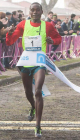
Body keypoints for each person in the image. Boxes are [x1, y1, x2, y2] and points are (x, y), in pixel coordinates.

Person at [6, 2, 61, 137]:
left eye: (37, 10)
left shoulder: (47, 25)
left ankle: (38, 125)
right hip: (26, 62)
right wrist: (9, 33)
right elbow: (10, 42)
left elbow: (58, 38)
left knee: (38, 91)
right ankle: (32, 107)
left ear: (42, 12)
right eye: (32, 10)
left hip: (39, 62)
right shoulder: (23, 24)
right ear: (29, 12)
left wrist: (51, 41)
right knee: (28, 92)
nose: (35, 12)